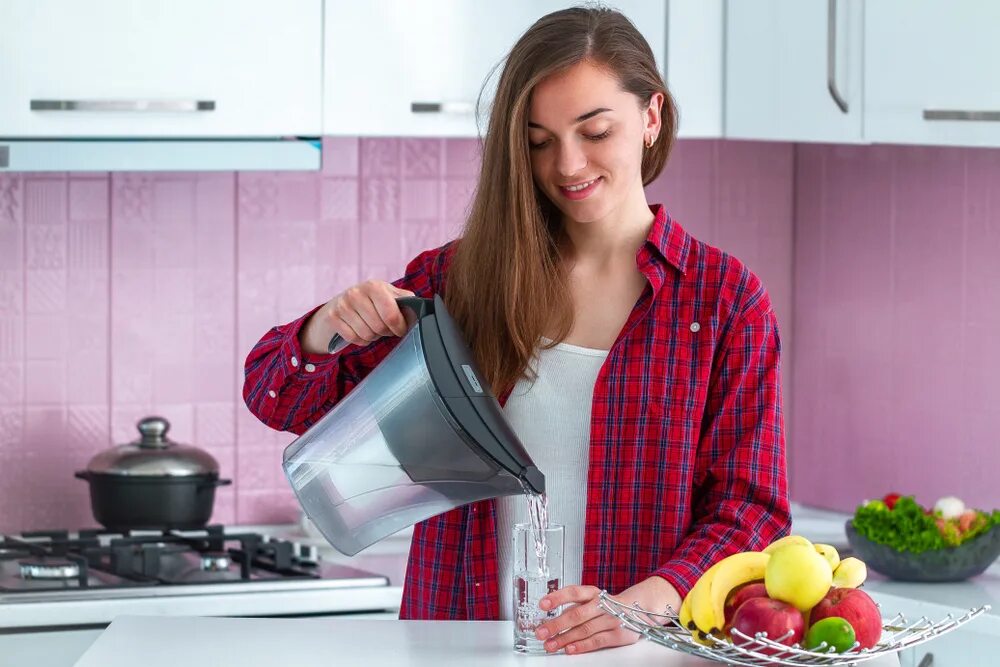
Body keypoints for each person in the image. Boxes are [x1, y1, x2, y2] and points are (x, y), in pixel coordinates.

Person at [244, 5, 790, 656]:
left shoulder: (722, 302)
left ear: (651, 117)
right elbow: (276, 392)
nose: (567, 164)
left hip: (634, 651)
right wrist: (327, 327)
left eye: (594, 131)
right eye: (538, 140)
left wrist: (648, 601)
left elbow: (750, 508)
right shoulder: (459, 281)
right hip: (459, 644)